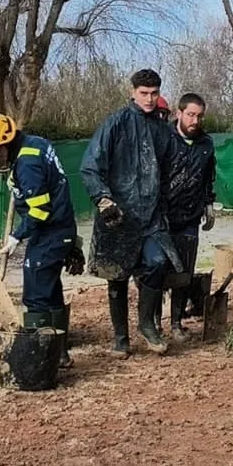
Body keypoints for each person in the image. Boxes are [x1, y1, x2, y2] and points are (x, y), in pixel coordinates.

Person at [80, 68, 178, 357]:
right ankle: (120, 338)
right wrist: (103, 199)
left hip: (150, 217)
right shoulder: (115, 123)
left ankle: (146, 323)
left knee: (158, 262)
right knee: (117, 274)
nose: (149, 99)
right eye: (144, 93)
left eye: (154, 93)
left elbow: (170, 172)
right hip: (118, 214)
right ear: (133, 92)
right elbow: (90, 165)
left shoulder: (162, 130)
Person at [0, 111, 83, 367]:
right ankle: (59, 352)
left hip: (50, 231)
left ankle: (41, 354)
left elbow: (39, 210)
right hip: (59, 227)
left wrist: (16, 237)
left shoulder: (27, 164)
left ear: (4, 141)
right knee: (50, 288)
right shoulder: (35, 143)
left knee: (36, 293)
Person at [164, 92, 218, 339]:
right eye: (191, 115)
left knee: (184, 272)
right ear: (179, 113)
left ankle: (176, 323)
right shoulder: (164, 138)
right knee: (156, 270)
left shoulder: (205, 144)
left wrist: (208, 204)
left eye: (199, 116)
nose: (195, 120)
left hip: (189, 217)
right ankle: (153, 323)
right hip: (162, 218)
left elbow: (208, 177)